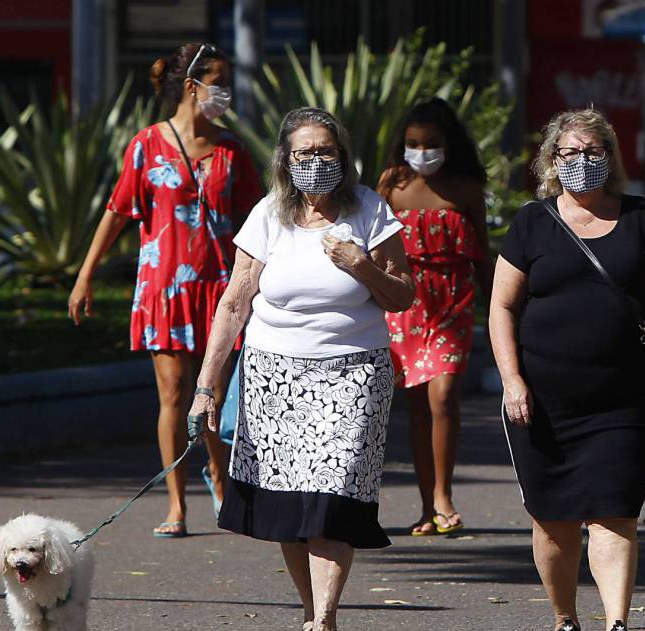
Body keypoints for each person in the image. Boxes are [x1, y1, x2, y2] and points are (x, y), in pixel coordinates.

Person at [188, 107, 414, 631]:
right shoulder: (269, 214)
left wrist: (361, 265)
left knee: (332, 497)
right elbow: (234, 302)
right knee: (291, 507)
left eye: (326, 151)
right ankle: (314, 614)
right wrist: (207, 388)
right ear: (286, 161)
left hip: (353, 374)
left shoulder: (370, 211)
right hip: (275, 376)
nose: (316, 161)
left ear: (343, 157)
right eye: (305, 152)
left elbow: (403, 296)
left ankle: (326, 615)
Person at [488, 108, 645, 631]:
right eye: (570, 152)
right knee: (553, 519)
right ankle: (564, 619)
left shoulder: (641, 219)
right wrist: (512, 380)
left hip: (623, 400)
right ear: (552, 160)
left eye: (593, 152)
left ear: (610, 158)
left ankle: (616, 623)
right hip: (542, 400)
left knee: (615, 510)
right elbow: (502, 308)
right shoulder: (533, 222)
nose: (582, 162)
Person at [67, 42, 262, 538]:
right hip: (164, 288)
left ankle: (220, 475)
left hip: (221, 288)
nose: (226, 92)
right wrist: (86, 273)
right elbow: (118, 209)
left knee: (214, 393)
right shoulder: (146, 144)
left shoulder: (231, 149)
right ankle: (176, 503)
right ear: (192, 86)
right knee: (173, 394)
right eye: (218, 81)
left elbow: (260, 219)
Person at [377, 98, 491, 536]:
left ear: (449, 144)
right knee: (417, 406)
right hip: (405, 305)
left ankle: (444, 496)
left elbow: (482, 252)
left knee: (443, 398)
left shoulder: (465, 189)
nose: (421, 152)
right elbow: (375, 249)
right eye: (412, 143)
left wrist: (502, 308)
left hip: (452, 304)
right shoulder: (391, 184)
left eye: (431, 144)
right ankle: (427, 506)